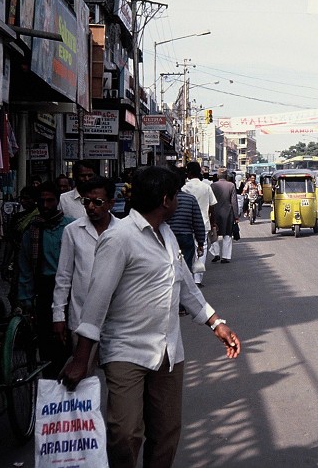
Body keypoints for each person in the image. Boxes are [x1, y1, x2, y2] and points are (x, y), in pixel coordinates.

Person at [59, 166, 241, 468]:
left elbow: (184, 284)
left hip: (169, 352)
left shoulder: (166, 234)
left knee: (166, 432)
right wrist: (81, 358)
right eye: (177, 196)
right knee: (125, 432)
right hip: (125, 351)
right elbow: (96, 301)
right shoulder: (119, 238)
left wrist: (215, 322)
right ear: (166, 200)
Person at [52, 176, 121, 354]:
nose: (91, 207)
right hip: (81, 318)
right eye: (86, 201)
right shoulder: (72, 231)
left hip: (117, 321)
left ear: (110, 203)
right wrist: (58, 315)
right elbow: (64, 276)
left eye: (97, 202)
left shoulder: (123, 232)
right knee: (83, 376)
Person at [17, 181, 75, 378]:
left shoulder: (71, 227)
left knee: (71, 340)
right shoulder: (31, 230)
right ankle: (51, 388)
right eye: (42, 201)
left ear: (58, 201)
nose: (46, 205)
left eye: (50, 200)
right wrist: (25, 299)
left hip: (72, 289)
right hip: (44, 289)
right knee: (48, 344)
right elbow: (25, 268)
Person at [1, 185, 38, 306]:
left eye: (27, 198)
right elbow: (10, 242)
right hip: (19, 259)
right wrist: (5, 263)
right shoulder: (17, 218)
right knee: (16, 292)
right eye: (22, 198)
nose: (23, 201)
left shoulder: (39, 217)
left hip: (36, 260)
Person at [168, 181, 206, 286]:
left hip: (168, 237)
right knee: (186, 265)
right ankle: (184, 288)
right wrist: (201, 242)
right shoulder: (190, 199)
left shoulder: (165, 200)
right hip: (186, 237)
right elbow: (198, 221)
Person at [182, 161, 217, 265]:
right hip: (204, 222)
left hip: (187, 223)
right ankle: (198, 277)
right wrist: (213, 222)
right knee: (203, 247)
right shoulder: (206, 187)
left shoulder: (184, 188)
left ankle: (189, 274)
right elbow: (212, 206)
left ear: (189, 173)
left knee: (188, 248)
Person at [210, 170, 239, 263]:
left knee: (214, 234)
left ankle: (216, 253)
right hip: (228, 213)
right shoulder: (231, 185)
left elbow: (210, 201)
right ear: (226, 176)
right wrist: (236, 215)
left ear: (218, 176)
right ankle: (225, 257)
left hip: (215, 212)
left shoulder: (213, 186)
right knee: (227, 235)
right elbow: (234, 201)